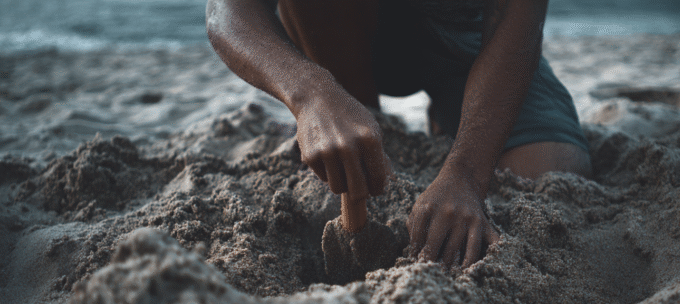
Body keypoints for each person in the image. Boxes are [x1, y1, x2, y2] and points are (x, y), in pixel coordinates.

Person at [205, 0, 591, 270]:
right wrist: (311, 95)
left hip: (469, 35)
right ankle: (358, 119)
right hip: (343, 31)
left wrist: (468, 175)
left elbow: (514, 11)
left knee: (551, 171)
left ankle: (451, 111)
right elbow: (228, 9)